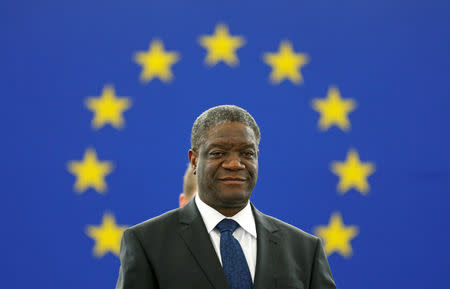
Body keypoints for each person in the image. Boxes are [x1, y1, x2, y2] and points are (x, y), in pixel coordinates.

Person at [116, 105, 337, 289]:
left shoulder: (305, 250)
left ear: (257, 158)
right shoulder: (147, 243)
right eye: (219, 153)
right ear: (194, 161)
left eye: (247, 154)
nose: (234, 164)